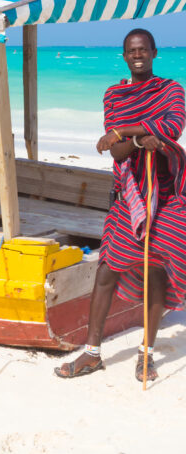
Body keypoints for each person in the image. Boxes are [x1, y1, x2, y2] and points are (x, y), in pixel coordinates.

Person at [55, 28, 186, 382]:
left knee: (157, 271)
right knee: (106, 270)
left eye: (144, 49)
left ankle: (146, 353)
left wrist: (121, 131)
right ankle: (93, 353)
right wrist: (135, 138)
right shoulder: (114, 94)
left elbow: (173, 126)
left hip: (167, 196)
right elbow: (117, 152)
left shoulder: (171, 89)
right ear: (124, 56)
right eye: (132, 50)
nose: (138, 54)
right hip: (128, 197)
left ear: (155, 52)